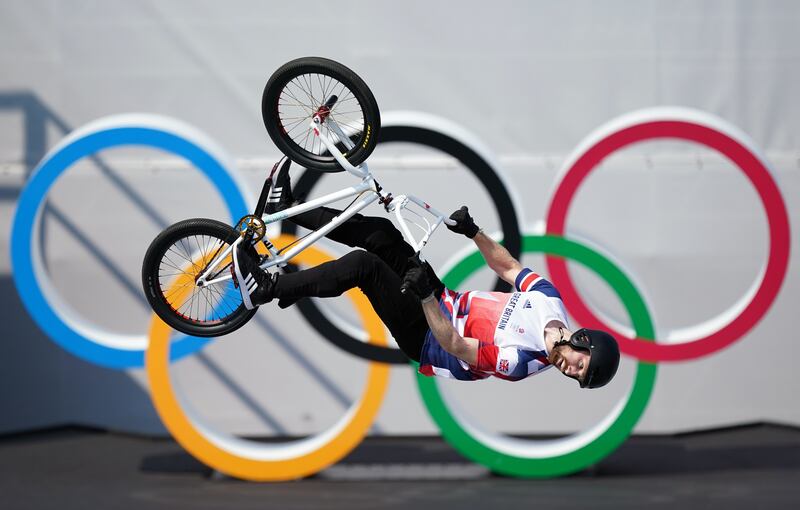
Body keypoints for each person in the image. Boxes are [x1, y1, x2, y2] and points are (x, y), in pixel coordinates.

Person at [232, 163, 620, 388]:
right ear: (584, 342)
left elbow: (454, 344)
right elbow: (508, 267)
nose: (570, 370)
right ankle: (290, 208)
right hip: (442, 299)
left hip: (427, 336)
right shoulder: (549, 301)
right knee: (382, 235)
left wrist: (425, 297)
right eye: (579, 365)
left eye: (576, 377)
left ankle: (265, 288)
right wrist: (474, 232)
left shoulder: (519, 362)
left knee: (363, 267)